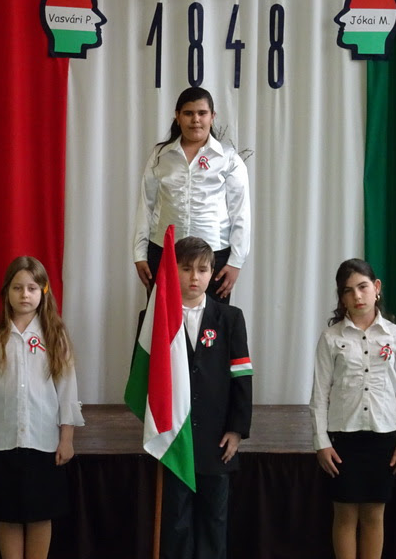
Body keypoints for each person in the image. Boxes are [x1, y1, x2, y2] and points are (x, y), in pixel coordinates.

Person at [0, 256, 84, 559]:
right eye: (17, 288)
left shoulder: (55, 336)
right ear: (7, 292)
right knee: (8, 515)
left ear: (43, 291)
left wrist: (67, 439)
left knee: (40, 515)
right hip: (3, 443)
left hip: (43, 442)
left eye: (31, 288)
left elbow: (67, 392)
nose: (24, 295)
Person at [309, 258, 396, 559]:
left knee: (374, 514)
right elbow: (319, 395)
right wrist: (321, 442)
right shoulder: (331, 338)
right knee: (344, 514)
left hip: (382, 437)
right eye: (348, 291)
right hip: (343, 439)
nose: (357, 296)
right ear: (341, 297)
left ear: (376, 288)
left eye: (363, 287)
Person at [161, 236, 253, 559]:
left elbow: (241, 378)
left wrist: (236, 430)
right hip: (174, 440)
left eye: (202, 270)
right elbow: (144, 378)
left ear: (213, 272)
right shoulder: (155, 318)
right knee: (176, 522)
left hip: (217, 440)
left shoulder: (230, 318)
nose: (194, 277)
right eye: (186, 269)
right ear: (173, 271)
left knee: (214, 521)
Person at [133, 86, 251, 303]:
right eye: (188, 113)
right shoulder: (160, 156)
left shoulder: (228, 159)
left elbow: (240, 213)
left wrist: (235, 262)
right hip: (165, 253)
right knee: (165, 320)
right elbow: (146, 206)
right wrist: (140, 254)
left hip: (213, 256)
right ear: (177, 117)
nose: (195, 120)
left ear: (212, 117)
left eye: (202, 113)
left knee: (210, 322)